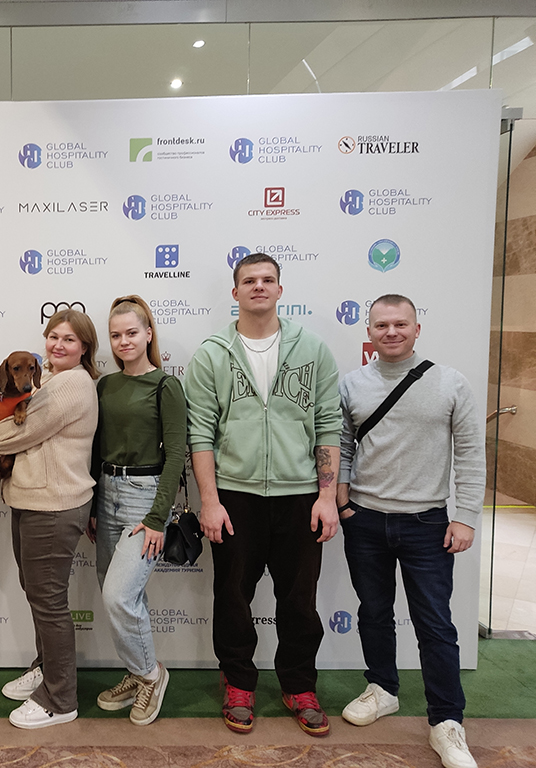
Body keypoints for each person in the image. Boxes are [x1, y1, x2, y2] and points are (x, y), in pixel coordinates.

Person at [183, 252, 341, 737]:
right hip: (235, 496)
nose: (258, 286)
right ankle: (238, 683)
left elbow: (328, 425)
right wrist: (210, 501)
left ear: (279, 289)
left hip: (300, 496)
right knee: (233, 596)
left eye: (267, 279)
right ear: (235, 292)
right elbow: (200, 434)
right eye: (249, 280)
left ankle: (299, 686)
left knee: (300, 599)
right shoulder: (212, 354)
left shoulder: (312, 349)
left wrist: (326, 497)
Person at [338, 294, 483, 768]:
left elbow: (470, 453)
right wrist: (342, 500)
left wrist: (466, 516)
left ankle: (447, 721)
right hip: (365, 519)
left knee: (435, 624)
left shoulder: (450, 382)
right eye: (382, 325)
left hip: (427, 522)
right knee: (374, 612)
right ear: (369, 332)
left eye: (401, 324)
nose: (392, 332)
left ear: (417, 329)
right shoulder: (353, 384)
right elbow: (341, 445)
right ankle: (382, 688)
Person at [0, 309, 99, 729]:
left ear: (84, 347)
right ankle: (46, 669)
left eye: (69, 339)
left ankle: (60, 700)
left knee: (48, 601)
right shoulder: (48, 381)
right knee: (38, 594)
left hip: (54, 506)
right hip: (31, 500)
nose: (58, 345)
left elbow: (17, 433)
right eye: (53, 337)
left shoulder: (71, 384)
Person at [86, 295, 185, 726]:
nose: (123, 341)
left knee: (119, 595)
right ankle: (136, 670)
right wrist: (93, 505)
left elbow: (176, 455)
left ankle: (150, 675)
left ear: (148, 334)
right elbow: (95, 448)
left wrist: (157, 517)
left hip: (145, 497)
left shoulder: (165, 386)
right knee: (121, 595)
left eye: (131, 333)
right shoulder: (105, 386)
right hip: (106, 492)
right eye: (115, 335)